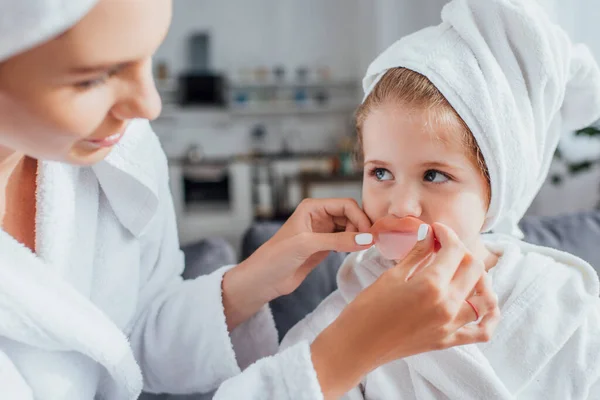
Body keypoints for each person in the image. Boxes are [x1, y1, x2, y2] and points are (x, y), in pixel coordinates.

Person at [0, 0, 499, 399]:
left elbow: (124, 346)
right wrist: (342, 356)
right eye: (93, 77)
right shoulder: (340, 313)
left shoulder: (117, 150)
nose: (148, 104)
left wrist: (250, 280)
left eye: (148, 55)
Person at [281, 0, 600, 398]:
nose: (400, 206)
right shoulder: (349, 314)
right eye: (381, 172)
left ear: (495, 189)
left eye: (434, 175)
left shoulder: (566, 305)